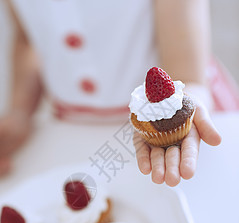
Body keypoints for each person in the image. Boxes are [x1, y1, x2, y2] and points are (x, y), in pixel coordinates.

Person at [0, 0, 221, 186]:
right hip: (70, 129)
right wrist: (20, 110)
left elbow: (187, 75)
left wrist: (189, 102)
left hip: (156, 121)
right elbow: (27, 38)